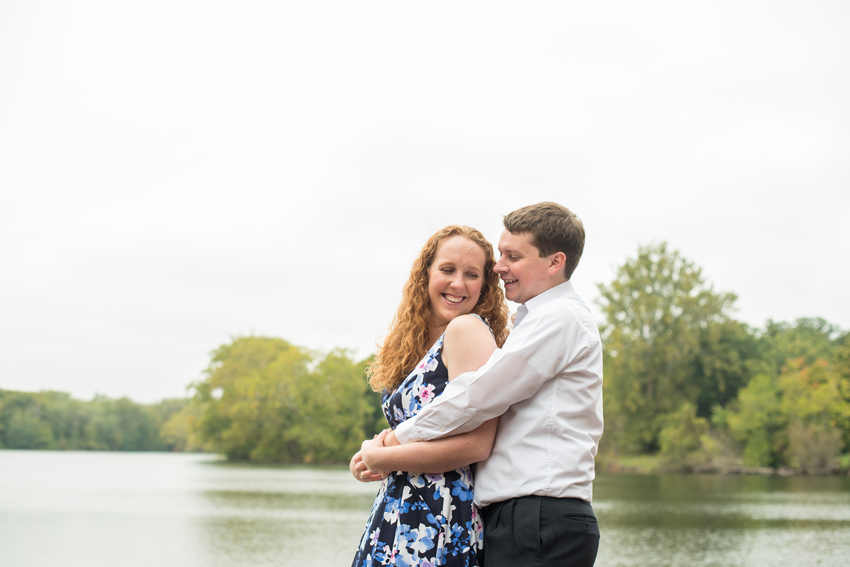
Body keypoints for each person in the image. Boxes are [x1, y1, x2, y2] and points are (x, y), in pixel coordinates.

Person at [381, 202, 604, 567]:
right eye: (501, 254)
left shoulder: (560, 319)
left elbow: (477, 395)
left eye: (512, 256)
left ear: (555, 262)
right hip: (521, 517)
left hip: (540, 517)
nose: (499, 267)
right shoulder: (534, 321)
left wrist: (395, 442)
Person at [349, 225, 510, 567]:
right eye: (448, 270)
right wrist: (371, 457)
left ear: (484, 285)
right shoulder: (413, 342)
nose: (458, 284)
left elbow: (476, 445)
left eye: (471, 274)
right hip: (396, 511)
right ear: (426, 275)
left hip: (440, 516)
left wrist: (383, 459)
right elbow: (421, 430)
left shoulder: (467, 330)